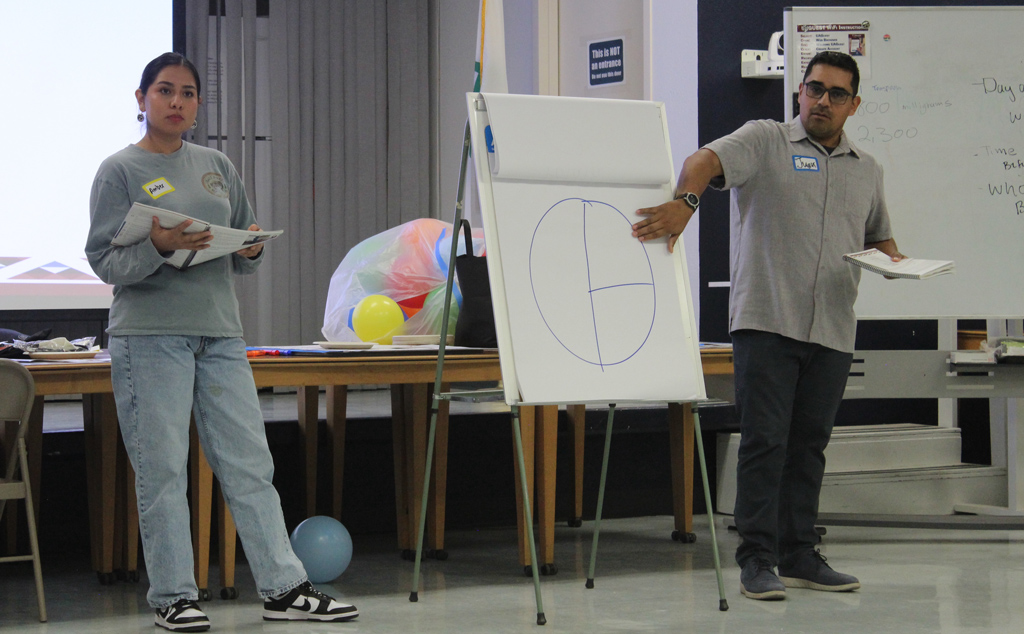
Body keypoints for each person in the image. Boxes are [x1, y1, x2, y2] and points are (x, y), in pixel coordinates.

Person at [86, 52, 358, 631]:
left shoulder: (216, 164)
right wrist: (156, 247)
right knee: (162, 470)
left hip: (220, 334)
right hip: (150, 336)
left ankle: (284, 588)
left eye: (187, 93)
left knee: (249, 464)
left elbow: (244, 240)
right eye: (164, 91)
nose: (176, 102)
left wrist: (252, 246)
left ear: (198, 104)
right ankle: (174, 597)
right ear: (141, 99)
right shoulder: (119, 170)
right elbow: (103, 261)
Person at [631, 51, 903, 601]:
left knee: (809, 446)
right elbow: (701, 162)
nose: (822, 101)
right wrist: (686, 204)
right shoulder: (765, 140)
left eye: (836, 94)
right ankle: (756, 559)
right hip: (767, 321)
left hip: (830, 327)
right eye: (814, 89)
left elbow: (880, 239)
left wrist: (903, 265)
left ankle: (800, 552)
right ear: (799, 92)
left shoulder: (866, 169)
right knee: (765, 443)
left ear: (854, 105)